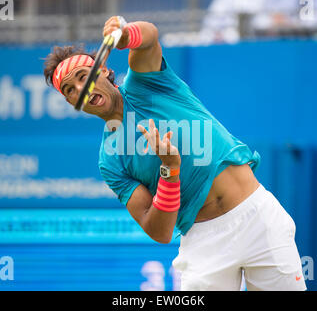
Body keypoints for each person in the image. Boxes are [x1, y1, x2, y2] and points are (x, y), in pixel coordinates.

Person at [43, 16, 306, 291]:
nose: (80, 90)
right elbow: (158, 230)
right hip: (204, 243)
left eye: (84, 77)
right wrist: (169, 168)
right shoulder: (110, 160)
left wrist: (124, 35)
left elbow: (149, 37)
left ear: (105, 71)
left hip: (258, 218)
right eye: (69, 90)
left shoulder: (146, 83)